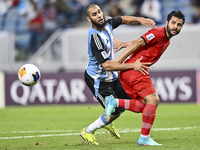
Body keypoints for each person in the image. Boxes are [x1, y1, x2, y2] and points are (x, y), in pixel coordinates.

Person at [105, 10, 185, 146]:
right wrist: (119, 62)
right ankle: (144, 138)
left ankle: (115, 102)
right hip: (135, 68)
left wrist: (124, 44)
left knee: (146, 106)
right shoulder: (159, 33)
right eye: (173, 23)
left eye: (179, 25)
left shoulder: (166, 40)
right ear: (167, 22)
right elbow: (137, 43)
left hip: (134, 70)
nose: (175, 27)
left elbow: (141, 42)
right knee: (153, 99)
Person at [80, 4, 156, 145]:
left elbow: (123, 19)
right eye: (95, 14)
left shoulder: (107, 22)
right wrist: (132, 65)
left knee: (127, 102)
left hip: (113, 77)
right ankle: (88, 131)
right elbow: (107, 65)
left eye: (99, 12)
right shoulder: (95, 38)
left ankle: (107, 121)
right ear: (89, 19)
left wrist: (140, 19)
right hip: (98, 80)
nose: (99, 15)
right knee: (114, 110)